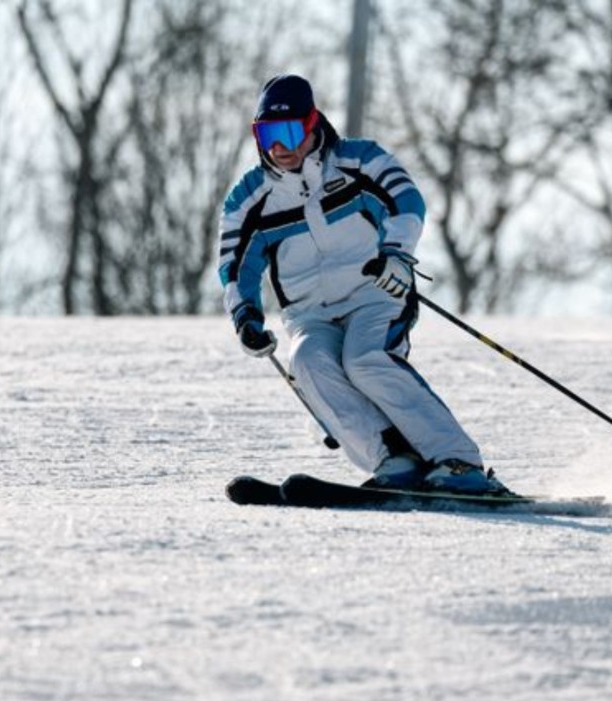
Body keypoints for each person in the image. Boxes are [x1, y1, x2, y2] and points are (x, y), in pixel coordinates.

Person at [217, 74, 510, 495]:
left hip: (377, 293)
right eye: (265, 135)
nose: (278, 146)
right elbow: (234, 264)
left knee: (364, 358)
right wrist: (244, 315)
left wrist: (397, 256)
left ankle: (459, 462)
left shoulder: (359, 161)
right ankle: (393, 459)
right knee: (308, 362)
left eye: (288, 131)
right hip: (308, 312)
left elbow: (405, 200)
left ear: (312, 122)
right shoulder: (249, 199)